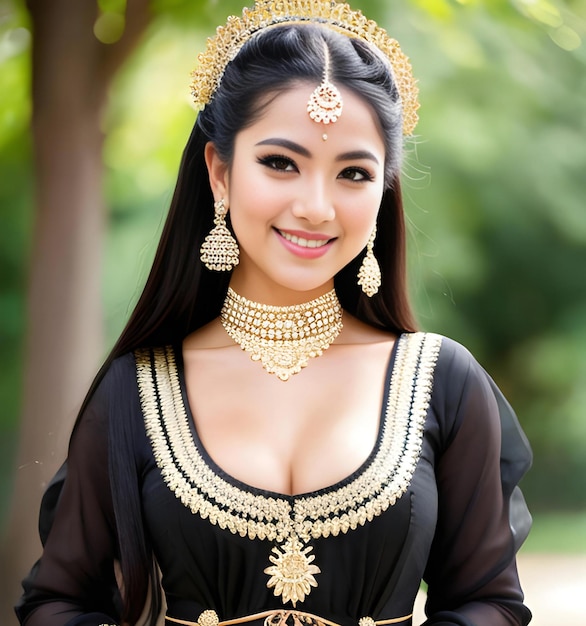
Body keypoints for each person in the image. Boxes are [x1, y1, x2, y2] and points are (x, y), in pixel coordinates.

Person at [15, 1, 533, 625]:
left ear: (383, 191)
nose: (316, 207)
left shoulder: (442, 383)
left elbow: (488, 602)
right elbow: (60, 603)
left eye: (353, 173)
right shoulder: (138, 388)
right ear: (220, 173)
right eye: (281, 163)